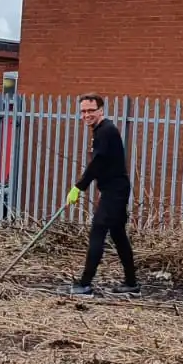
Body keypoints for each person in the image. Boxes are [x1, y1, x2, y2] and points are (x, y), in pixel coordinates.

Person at [66, 94, 137, 296]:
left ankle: (85, 284)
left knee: (98, 231)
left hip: (115, 191)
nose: (86, 114)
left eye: (90, 110)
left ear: (101, 111)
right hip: (113, 189)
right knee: (118, 235)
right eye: (83, 111)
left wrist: (79, 187)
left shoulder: (106, 131)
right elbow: (101, 164)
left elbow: (97, 163)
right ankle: (132, 283)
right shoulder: (101, 131)